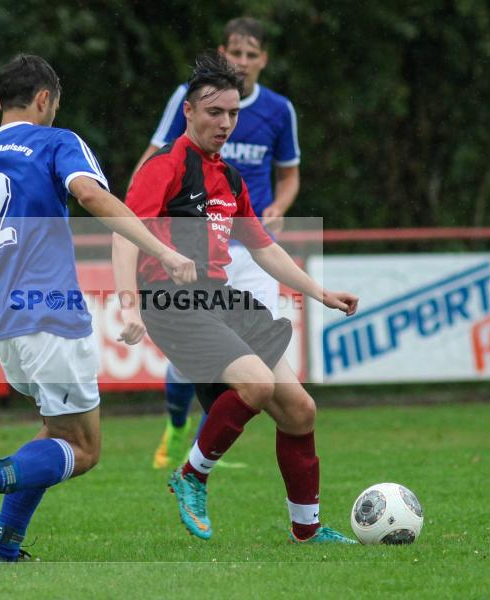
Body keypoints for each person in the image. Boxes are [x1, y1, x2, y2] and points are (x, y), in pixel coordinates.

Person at [0, 54, 195, 563]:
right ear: (44, 99)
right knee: (84, 449)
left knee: (53, 434)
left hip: (4, 322)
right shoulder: (56, 141)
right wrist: (163, 250)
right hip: (51, 313)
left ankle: (3, 548)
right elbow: (89, 194)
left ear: (2, 102)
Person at [114, 52, 358, 544]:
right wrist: (128, 301)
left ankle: (306, 531)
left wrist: (319, 292)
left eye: (232, 114)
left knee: (300, 410)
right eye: (214, 113)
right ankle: (191, 475)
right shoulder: (163, 166)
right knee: (256, 384)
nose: (225, 123)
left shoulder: (228, 177)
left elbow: (264, 248)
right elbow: (124, 231)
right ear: (188, 112)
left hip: (223, 299)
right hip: (172, 301)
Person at [134, 18, 302, 469]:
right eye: (236, 53)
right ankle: (184, 438)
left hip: (249, 246)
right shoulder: (190, 105)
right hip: (192, 258)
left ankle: (212, 446)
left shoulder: (277, 111)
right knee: (200, 362)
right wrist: (141, 223)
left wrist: (281, 207)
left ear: (264, 59)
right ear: (223, 52)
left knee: (266, 376)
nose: (243, 61)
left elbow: (288, 174)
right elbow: (154, 162)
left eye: (252, 54)